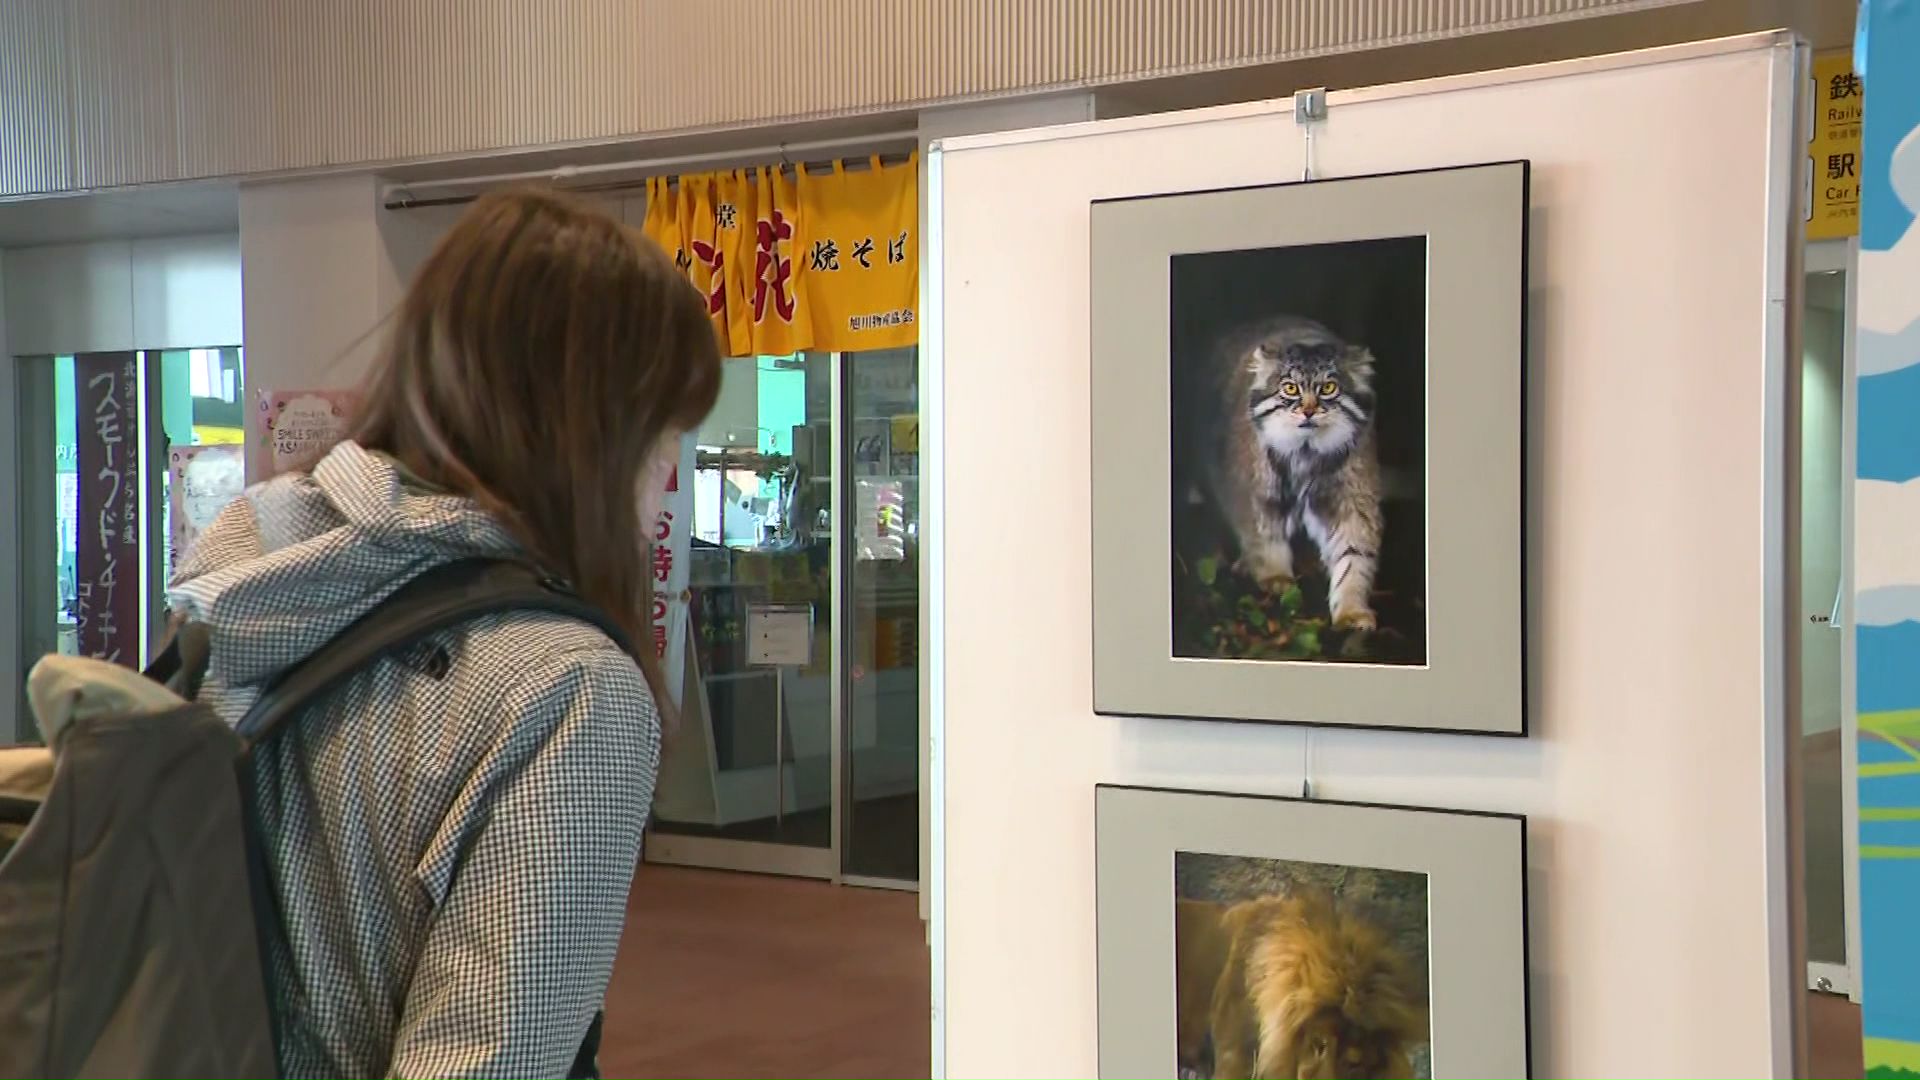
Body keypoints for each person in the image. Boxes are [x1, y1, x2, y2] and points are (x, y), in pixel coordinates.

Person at [166, 188, 721, 1079]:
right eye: (657, 437)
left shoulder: (252, 564)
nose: (663, 486)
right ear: (584, 435)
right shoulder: (566, 687)